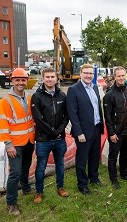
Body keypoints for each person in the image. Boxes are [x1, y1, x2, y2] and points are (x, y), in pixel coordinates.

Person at [30, 68, 69, 204]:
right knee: (41, 167)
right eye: (47, 77)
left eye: (52, 77)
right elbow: (38, 119)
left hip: (59, 139)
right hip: (43, 140)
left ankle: (61, 187)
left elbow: (67, 116)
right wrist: (54, 131)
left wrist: (59, 131)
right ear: (43, 78)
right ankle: (39, 192)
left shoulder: (62, 96)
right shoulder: (37, 96)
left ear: (57, 78)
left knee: (60, 164)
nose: (50, 79)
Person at [0, 68, 35, 215]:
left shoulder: (29, 97)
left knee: (26, 167)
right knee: (14, 173)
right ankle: (11, 203)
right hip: (14, 144)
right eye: (17, 80)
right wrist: (8, 145)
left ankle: (26, 187)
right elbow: (3, 124)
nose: (20, 82)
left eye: (23, 80)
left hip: (29, 141)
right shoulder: (5, 100)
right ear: (12, 81)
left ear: (26, 81)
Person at [67, 64, 104, 195]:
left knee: (94, 157)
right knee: (82, 160)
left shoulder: (94, 87)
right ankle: (82, 184)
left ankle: (93, 178)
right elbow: (72, 113)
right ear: (80, 73)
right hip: (83, 131)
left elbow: (97, 108)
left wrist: (100, 126)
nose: (88, 76)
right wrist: (79, 132)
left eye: (91, 73)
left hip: (96, 128)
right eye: (86, 73)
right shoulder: (73, 89)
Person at [103, 66, 127, 189]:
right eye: (119, 76)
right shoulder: (109, 95)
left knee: (124, 154)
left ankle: (123, 173)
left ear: (125, 76)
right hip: (116, 132)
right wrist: (111, 133)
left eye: (123, 75)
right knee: (113, 157)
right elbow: (108, 116)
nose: (121, 78)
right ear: (115, 77)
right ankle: (113, 179)